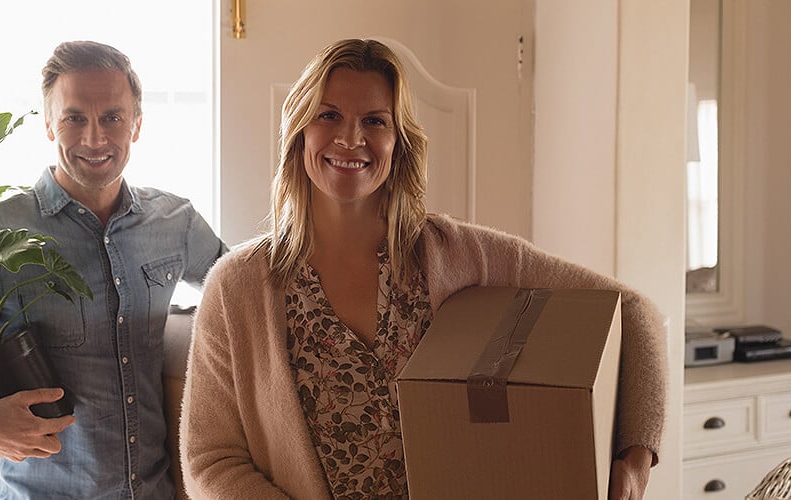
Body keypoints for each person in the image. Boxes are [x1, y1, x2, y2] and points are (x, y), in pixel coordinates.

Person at [180, 38, 667, 500]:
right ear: (300, 131)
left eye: (375, 121)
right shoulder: (237, 288)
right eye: (329, 115)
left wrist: (635, 455)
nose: (351, 138)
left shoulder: (461, 256)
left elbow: (636, 310)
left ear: (399, 143)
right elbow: (211, 460)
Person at [0, 40, 227, 499]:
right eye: (75, 118)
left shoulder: (176, 222)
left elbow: (243, 291)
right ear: (49, 123)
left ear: (136, 125)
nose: (95, 138)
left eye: (112, 117)